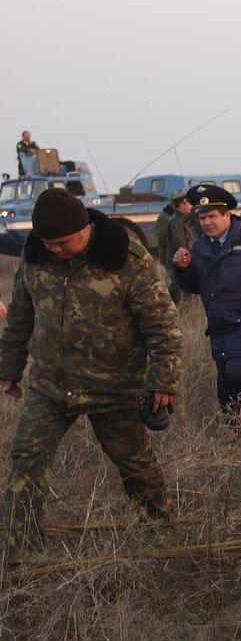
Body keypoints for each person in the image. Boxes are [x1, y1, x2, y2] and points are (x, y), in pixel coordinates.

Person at [0, 189, 181, 563]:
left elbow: (162, 324)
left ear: (84, 228)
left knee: (135, 465)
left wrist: (163, 379)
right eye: (49, 243)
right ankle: (21, 555)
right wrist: (9, 368)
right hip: (51, 386)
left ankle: (160, 535)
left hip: (113, 385)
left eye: (63, 243)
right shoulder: (35, 257)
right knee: (25, 458)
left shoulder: (126, 258)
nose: (55, 250)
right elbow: (19, 316)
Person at [172, 185, 241, 410]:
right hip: (218, 329)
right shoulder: (201, 247)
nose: (206, 223)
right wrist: (183, 269)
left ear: (227, 216)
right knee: (225, 386)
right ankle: (236, 436)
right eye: (202, 218)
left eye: (212, 216)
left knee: (240, 374)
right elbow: (196, 285)